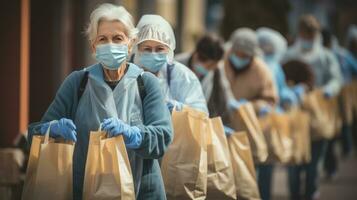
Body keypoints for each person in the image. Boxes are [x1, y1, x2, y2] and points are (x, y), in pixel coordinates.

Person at [27, 4, 173, 200]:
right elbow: (34, 133)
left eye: (118, 38)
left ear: (130, 44)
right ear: (93, 46)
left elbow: (163, 136)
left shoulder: (146, 84)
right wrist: (52, 129)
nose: (110, 45)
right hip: (85, 190)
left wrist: (134, 135)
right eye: (103, 39)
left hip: (141, 191)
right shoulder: (78, 82)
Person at [283, 15, 343, 200]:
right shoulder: (289, 54)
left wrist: (329, 90)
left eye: (311, 36)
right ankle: (294, 195)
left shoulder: (326, 56)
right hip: (294, 115)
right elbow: (279, 76)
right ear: (299, 33)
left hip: (318, 115)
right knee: (293, 164)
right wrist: (288, 91)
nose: (307, 39)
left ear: (316, 35)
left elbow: (336, 79)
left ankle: (310, 193)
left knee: (313, 164)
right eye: (304, 35)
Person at [256, 27, 300, 200]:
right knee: (262, 165)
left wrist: (290, 95)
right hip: (261, 121)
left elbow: (280, 91)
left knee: (261, 165)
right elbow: (280, 93)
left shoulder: (268, 65)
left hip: (263, 122)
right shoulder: (262, 65)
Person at [132, 14, 208, 114]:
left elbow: (201, 114)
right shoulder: (129, 76)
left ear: (169, 50)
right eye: (147, 49)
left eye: (160, 49)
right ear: (137, 49)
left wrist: (179, 108)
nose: (153, 54)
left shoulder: (183, 76)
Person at [175, 34, 236, 135]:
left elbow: (224, 95)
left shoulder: (217, 70)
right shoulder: (177, 65)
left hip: (203, 126)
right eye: (209, 66)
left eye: (214, 66)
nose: (212, 69)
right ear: (197, 55)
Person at [224, 27, 278, 117]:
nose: (239, 58)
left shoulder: (261, 71)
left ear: (252, 55)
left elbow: (270, 100)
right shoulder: (221, 62)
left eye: (244, 56)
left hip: (247, 119)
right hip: (219, 116)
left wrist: (252, 106)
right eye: (237, 54)